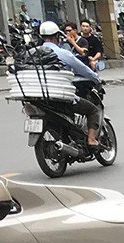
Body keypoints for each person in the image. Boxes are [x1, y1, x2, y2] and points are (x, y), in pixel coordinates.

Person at [37, 20, 104, 149]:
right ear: (57, 36)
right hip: (61, 97)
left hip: (38, 97)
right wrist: (96, 79)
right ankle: (91, 140)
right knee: (93, 110)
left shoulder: (32, 53)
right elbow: (83, 69)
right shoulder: (62, 53)